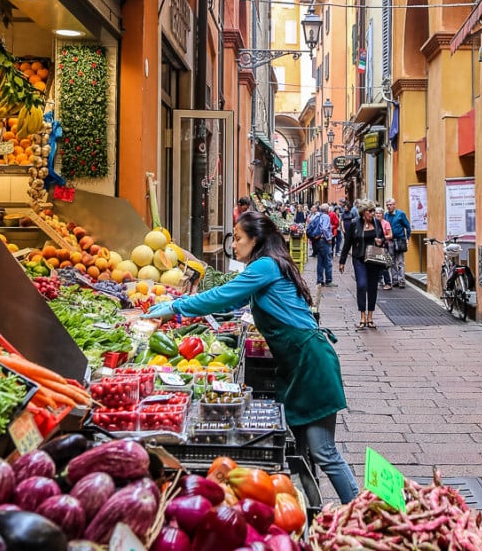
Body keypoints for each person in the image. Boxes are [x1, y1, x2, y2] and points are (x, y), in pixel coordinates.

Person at [142, 212, 358, 503]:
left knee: (323, 451)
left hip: (312, 363)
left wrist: (176, 306)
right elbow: (234, 301)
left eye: (239, 238)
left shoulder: (265, 265)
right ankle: (314, 505)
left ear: (256, 239)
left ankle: (360, 510)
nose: (235, 245)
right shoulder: (269, 265)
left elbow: (222, 296)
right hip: (300, 362)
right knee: (303, 447)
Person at [339, 199, 385, 329]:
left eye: (374, 211)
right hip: (359, 259)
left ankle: (370, 316)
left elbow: (383, 239)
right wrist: (342, 261)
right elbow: (347, 243)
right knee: (361, 285)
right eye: (371, 211)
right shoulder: (354, 224)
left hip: (374, 259)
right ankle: (362, 315)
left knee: (372, 287)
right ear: (364, 212)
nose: (373, 214)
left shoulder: (377, 223)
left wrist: (380, 241)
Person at [384, 198, 411, 289]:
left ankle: (401, 280)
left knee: (400, 261)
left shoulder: (401, 214)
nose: (388, 206)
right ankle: (394, 280)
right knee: (391, 261)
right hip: (390, 240)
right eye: (387, 205)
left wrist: (407, 238)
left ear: (394, 205)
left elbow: (407, 226)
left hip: (400, 240)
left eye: (390, 204)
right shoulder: (386, 215)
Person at [314, 204, 336, 287]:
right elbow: (324, 228)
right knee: (328, 261)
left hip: (318, 241)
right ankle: (328, 280)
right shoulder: (326, 217)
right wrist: (329, 238)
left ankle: (319, 280)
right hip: (324, 241)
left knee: (320, 261)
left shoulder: (318, 215)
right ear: (327, 210)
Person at [375, 207, 393, 290]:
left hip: (384, 246)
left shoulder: (386, 223)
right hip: (375, 246)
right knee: (376, 264)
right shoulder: (373, 223)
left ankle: (388, 283)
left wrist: (382, 238)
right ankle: (378, 281)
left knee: (384, 265)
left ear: (382, 214)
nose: (378, 214)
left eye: (380, 213)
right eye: (376, 213)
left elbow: (390, 235)